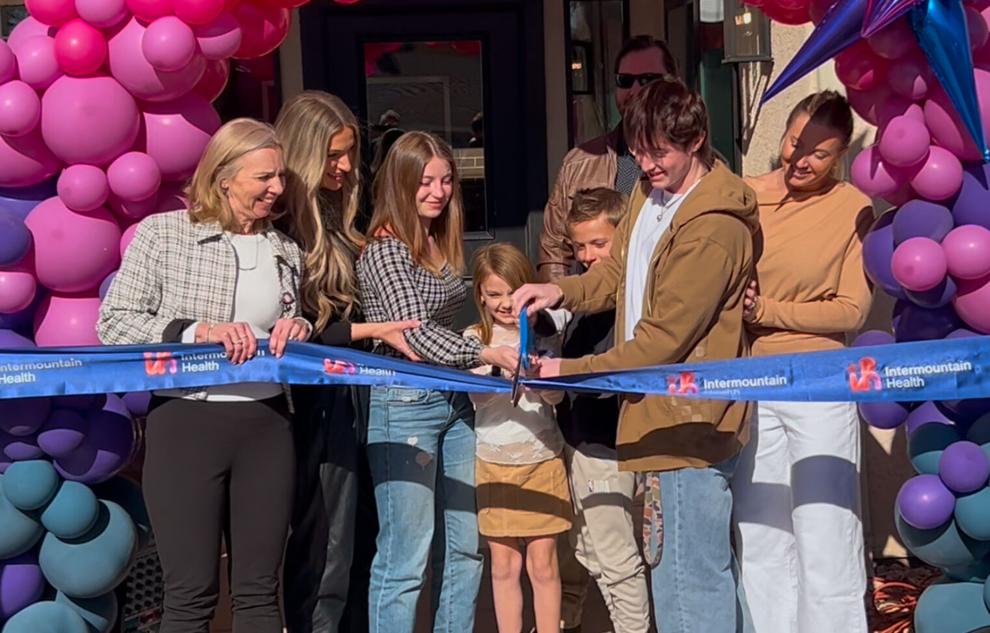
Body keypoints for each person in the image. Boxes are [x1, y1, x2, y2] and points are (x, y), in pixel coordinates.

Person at [513, 76, 758, 633]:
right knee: (695, 573)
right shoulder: (651, 195)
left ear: (696, 140)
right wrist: (560, 291)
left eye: (659, 153)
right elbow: (619, 275)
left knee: (688, 589)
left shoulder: (714, 228)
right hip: (657, 416)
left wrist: (568, 371)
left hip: (690, 422)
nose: (646, 165)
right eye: (638, 152)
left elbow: (661, 342)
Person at [98, 118, 309, 633]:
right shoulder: (164, 235)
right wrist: (197, 331)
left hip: (267, 425)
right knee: (191, 595)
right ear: (224, 177)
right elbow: (114, 324)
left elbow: (288, 325)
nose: (277, 188)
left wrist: (300, 326)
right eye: (264, 177)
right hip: (187, 423)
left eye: (280, 176)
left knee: (259, 592)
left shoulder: (286, 250)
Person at [355, 130, 519, 633]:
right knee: (406, 556)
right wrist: (484, 352)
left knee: (465, 545)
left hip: (453, 398)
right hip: (404, 403)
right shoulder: (386, 250)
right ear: (400, 182)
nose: (438, 192)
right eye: (425, 181)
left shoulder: (435, 239)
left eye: (447, 180)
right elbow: (417, 332)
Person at [274, 91, 420, 633]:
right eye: (332, 155)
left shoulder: (345, 214)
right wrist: (368, 330)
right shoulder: (280, 226)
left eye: (350, 152)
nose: (343, 166)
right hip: (314, 399)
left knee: (366, 533)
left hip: (358, 392)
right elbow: (291, 333)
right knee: (328, 542)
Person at [731, 91, 872, 633]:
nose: (801, 159)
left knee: (826, 527)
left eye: (819, 153)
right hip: (753, 378)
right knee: (760, 527)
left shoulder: (852, 207)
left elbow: (851, 309)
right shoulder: (744, 196)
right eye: (795, 143)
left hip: (820, 383)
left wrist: (767, 310)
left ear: (839, 156)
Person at [556, 187, 651, 633]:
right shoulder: (577, 295)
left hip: (609, 442)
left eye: (599, 243)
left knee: (615, 557)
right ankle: (566, 619)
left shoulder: (634, 298)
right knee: (581, 544)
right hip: (578, 437)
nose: (588, 256)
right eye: (579, 246)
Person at [465, 243, 571, 633]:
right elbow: (476, 398)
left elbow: (558, 398)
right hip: (494, 460)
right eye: (494, 294)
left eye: (513, 292)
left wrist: (540, 379)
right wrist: (495, 366)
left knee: (543, 565)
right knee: (504, 565)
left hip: (541, 458)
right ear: (480, 295)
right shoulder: (474, 338)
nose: (506, 303)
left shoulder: (546, 334)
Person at [538, 35, 677, 283]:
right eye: (625, 81)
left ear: (673, 84)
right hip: (595, 300)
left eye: (648, 80)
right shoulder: (579, 163)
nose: (635, 90)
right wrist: (560, 301)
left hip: (666, 298)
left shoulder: (698, 165)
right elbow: (554, 252)